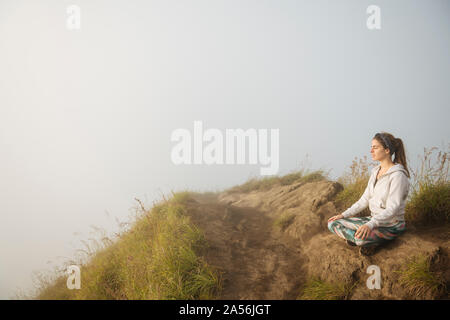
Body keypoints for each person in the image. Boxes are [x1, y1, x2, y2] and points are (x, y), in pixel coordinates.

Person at [327, 132, 411, 256]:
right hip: (373, 220)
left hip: (391, 225)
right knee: (333, 223)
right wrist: (343, 215)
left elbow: (393, 208)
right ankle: (362, 240)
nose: (371, 150)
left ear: (387, 150)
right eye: (371, 147)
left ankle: (363, 240)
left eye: (375, 147)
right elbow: (364, 200)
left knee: (361, 239)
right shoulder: (375, 172)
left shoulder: (398, 175)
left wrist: (370, 225)